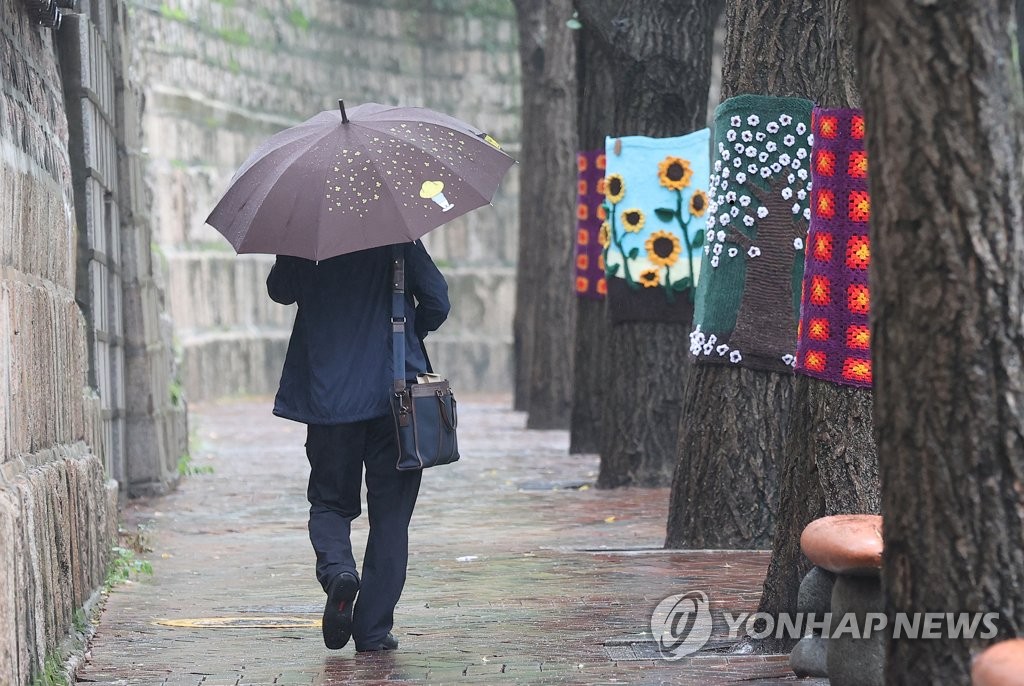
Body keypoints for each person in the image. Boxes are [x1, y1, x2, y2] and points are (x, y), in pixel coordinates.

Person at [266, 240, 450, 652]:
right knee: (391, 516)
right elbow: (438, 300)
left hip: (330, 398)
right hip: (395, 395)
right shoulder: (396, 236)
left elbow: (280, 290)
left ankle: (338, 573)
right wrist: (405, 331)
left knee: (330, 501)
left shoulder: (307, 234)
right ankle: (372, 630)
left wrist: (289, 248)